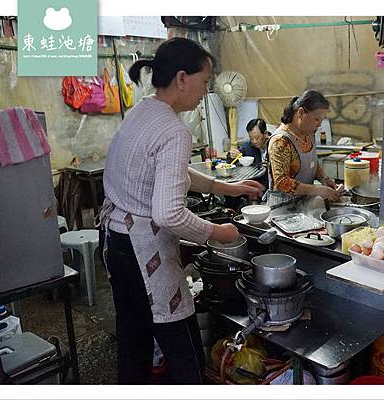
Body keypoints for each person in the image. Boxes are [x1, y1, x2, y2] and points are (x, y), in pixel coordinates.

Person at [97, 38, 264, 384]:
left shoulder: (144, 110)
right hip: (144, 251)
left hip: (115, 241)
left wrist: (225, 187)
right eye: (205, 82)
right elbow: (169, 214)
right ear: (182, 78)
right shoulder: (175, 130)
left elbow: (172, 174)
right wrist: (220, 233)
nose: (206, 92)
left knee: (134, 338)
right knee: (184, 347)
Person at [264, 89, 341, 206]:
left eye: (322, 119)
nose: (319, 124)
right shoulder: (280, 141)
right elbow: (282, 182)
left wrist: (325, 179)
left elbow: (312, 162)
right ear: (300, 113)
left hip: (304, 205)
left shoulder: (309, 133)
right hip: (282, 209)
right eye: (316, 119)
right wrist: (318, 190)